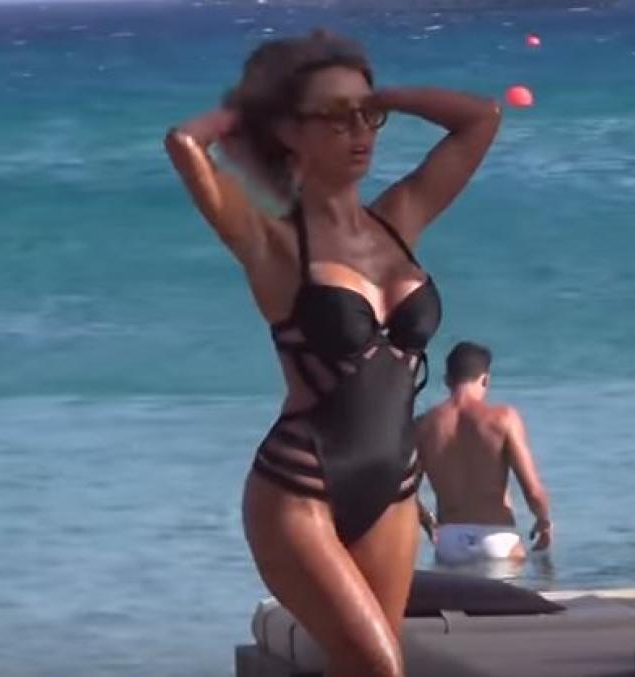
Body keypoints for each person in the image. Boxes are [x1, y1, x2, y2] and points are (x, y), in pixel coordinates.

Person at [164, 29, 500, 677]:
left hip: (396, 488)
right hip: (300, 487)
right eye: (337, 119)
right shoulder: (272, 243)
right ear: (291, 132)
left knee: (363, 668)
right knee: (378, 667)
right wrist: (256, 110)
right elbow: (184, 143)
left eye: (368, 116)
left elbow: (480, 119)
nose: (360, 132)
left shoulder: (399, 217)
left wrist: (387, 97)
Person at [414, 341, 553, 566]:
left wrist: (428, 522)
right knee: (520, 587)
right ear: (486, 379)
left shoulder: (422, 425)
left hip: (449, 540)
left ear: (447, 380)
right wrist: (543, 522)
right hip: (497, 540)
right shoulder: (503, 419)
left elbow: (406, 490)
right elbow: (534, 492)